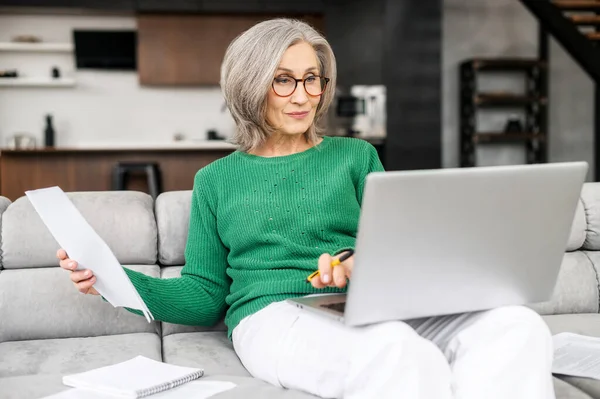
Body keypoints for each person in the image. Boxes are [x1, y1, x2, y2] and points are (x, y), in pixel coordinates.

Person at [57, 18, 555, 399]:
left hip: (367, 305)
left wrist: (360, 265)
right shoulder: (216, 180)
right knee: (397, 353)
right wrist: (116, 281)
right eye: (284, 81)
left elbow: (400, 247)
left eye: (312, 78)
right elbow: (206, 294)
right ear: (251, 87)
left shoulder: (356, 156)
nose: (304, 96)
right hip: (271, 318)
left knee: (518, 326)